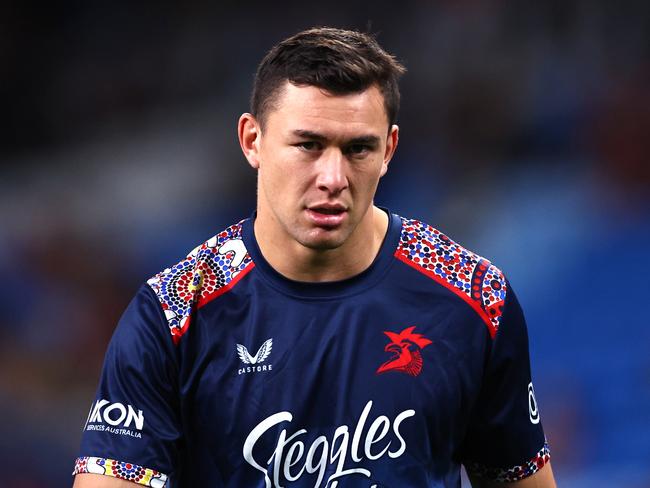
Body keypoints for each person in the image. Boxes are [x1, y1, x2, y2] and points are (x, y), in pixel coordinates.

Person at [72, 27, 556, 487]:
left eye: (358, 149)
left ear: (389, 149)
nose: (333, 177)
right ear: (252, 141)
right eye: (308, 145)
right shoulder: (173, 313)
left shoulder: (474, 297)